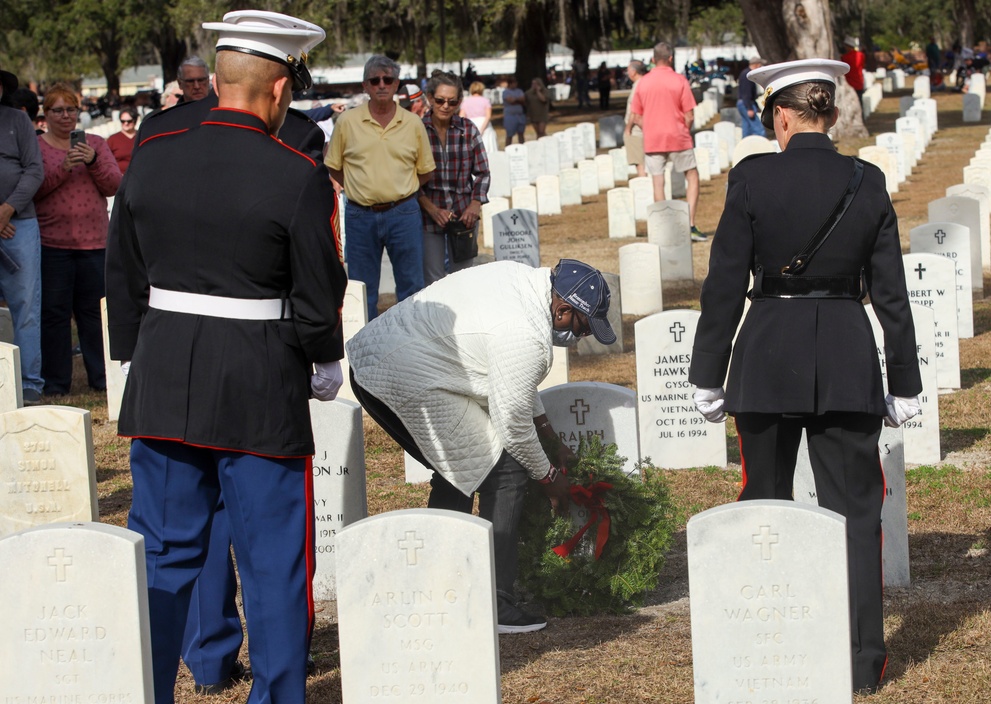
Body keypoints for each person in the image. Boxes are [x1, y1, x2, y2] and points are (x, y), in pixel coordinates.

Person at [106, 10, 346, 704]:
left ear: (215, 81)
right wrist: (323, 359)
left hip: (164, 377)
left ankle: (151, 687)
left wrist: (131, 353)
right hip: (257, 383)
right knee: (272, 563)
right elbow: (316, 285)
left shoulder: (151, 151)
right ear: (277, 91)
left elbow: (122, 266)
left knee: (162, 553)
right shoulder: (296, 173)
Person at [688, 59, 921, 695]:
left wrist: (707, 371)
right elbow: (892, 295)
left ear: (781, 116)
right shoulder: (866, 181)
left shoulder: (753, 179)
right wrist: (904, 380)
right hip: (846, 353)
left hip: (766, 354)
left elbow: (725, 283)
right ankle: (860, 662)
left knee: (762, 506)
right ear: (830, 114)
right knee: (855, 515)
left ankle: (766, 642)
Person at [347, 258, 617, 633]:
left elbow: (512, 383)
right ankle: (497, 603)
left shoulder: (522, 282)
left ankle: (438, 584)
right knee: (506, 472)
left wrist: (551, 439)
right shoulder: (527, 334)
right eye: (584, 326)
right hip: (397, 374)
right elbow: (511, 424)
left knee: (461, 466)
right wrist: (549, 477)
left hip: (383, 357)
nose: (583, 336)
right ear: (563, 309)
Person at [325, 54, 435, 322]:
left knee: (411, 287)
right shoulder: (347, 122)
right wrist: (361, 186)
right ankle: (366, 354)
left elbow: (426, 171)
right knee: (363, 290)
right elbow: (334, 165)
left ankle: (411, 351)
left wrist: (400, 190)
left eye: (388, 79)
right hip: (360, 215)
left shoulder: (412, 123)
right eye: (375, 80)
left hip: (404, 213)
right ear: (365, 85)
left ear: (397, 84)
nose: (382, 85)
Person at [33, 84, 121, 396]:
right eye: (58, 110)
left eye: (70, 109)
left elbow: (115, 186)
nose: (65, 116)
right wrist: (63, 167)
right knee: (55, 315)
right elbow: (35, 189)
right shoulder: (38, 147)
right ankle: (56, 382)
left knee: (95, 315)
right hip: (52, 244)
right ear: (46, 114)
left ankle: (102, 378)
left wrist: (94, 160)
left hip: (95, 245)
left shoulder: (95, 142)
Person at [417, 71, 490, 285]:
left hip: (463, 213)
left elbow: (483, 172)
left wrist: (475, 204)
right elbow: (409, 178)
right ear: (430, 98)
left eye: (452, 101)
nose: (445, 106)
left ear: (459, 102)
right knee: (433, 281)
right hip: (429, 213)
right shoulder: (417, 130)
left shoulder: (468, 130)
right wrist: (431, 209)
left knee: (463, 279)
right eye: (440, 100)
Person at [0, 62, 45, 405]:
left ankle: (30, 384)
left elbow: (34, 170)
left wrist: (7, 208)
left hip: (20, 224)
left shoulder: (18, 121)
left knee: (26, 307)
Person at [631, 42, 705, 241]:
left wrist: (651, 129)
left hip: (653, 139)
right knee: (692, 176)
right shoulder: (680, 80)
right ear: (671, 58)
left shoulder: (643, 83)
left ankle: (664, 229)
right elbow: (689, 114)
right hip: (677, 136)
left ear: (653, 59)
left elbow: (636, 116)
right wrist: (683, 130)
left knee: (658, 181)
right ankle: (689, 224)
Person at [623, 59, 647, 177]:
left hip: (636, 129)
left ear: (633, 72)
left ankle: (643, 184)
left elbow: (634, 110)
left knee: (639, 162)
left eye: (628, 71)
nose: (627, 73)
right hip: (644, 126)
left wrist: (628, 128)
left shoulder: (638, 86)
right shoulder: (646, 83)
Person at [459, 80, 497, 153]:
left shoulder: (466, 102)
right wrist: (482, 129)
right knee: (488, 149)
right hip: (484, 125)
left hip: (471, 125)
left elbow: (461, 117)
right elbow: (488, 116)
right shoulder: (485, 101)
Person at [736, 56, 765, 137]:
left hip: (743, 103)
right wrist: (749, 108)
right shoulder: (747, 75)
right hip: (746, 104)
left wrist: (756, 106)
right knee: (759, 130)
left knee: (747, 129)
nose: (760, 67)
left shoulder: (746, 73)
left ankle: (746, 146)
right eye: (760, 65)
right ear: (756, 65)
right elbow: (746, 93)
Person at [106, 106, 139, 173]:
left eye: (129, 121)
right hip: (120, 176)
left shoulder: (141, 136)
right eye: (123, 121)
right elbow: (106, 161)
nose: (126, 123)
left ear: (135, 120)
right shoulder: (112, 140)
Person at [502, 76, 527, 146]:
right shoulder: (506, 92)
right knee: (509, 134)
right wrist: (518, 100)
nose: (515, 85)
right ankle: (508, 147)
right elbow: (510, 100)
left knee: (521, 133)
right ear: (510, 84)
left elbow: (523, 99)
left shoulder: (519, 91)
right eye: (514, 83)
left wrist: (515, 100)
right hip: (510, 116)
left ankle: (522, 147)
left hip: (520, 115)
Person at [841, 37, 866, 103]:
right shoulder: (861, 55)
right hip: (859, 83)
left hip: (849, 84)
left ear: (848, 46)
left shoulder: (844, 58)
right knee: (860, 103)